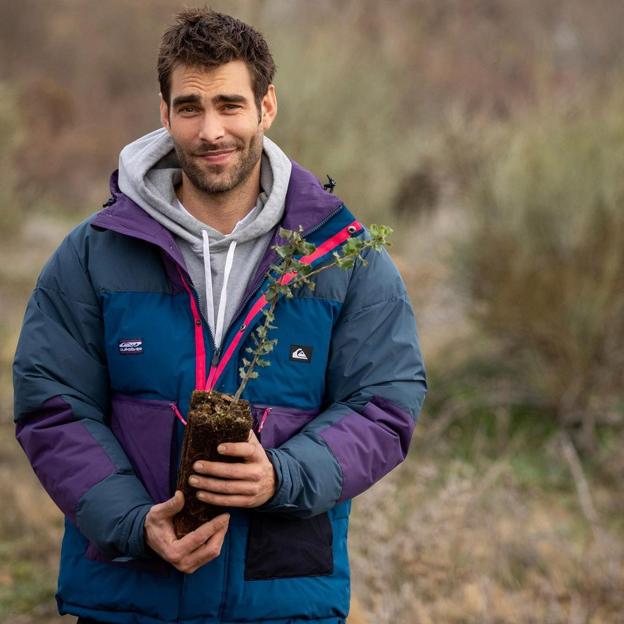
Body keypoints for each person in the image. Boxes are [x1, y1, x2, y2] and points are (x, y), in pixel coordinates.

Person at [13, 8, 426, 624]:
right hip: (128, 596)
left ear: (267, 107)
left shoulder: (343, 258)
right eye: (190, 107)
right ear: (164, 112)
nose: (211, 130)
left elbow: (385, 405)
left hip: (280, 601)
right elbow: (52, 404)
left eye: (230, 105)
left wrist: (282, 477)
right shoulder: (94, 253)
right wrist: (132, 522)